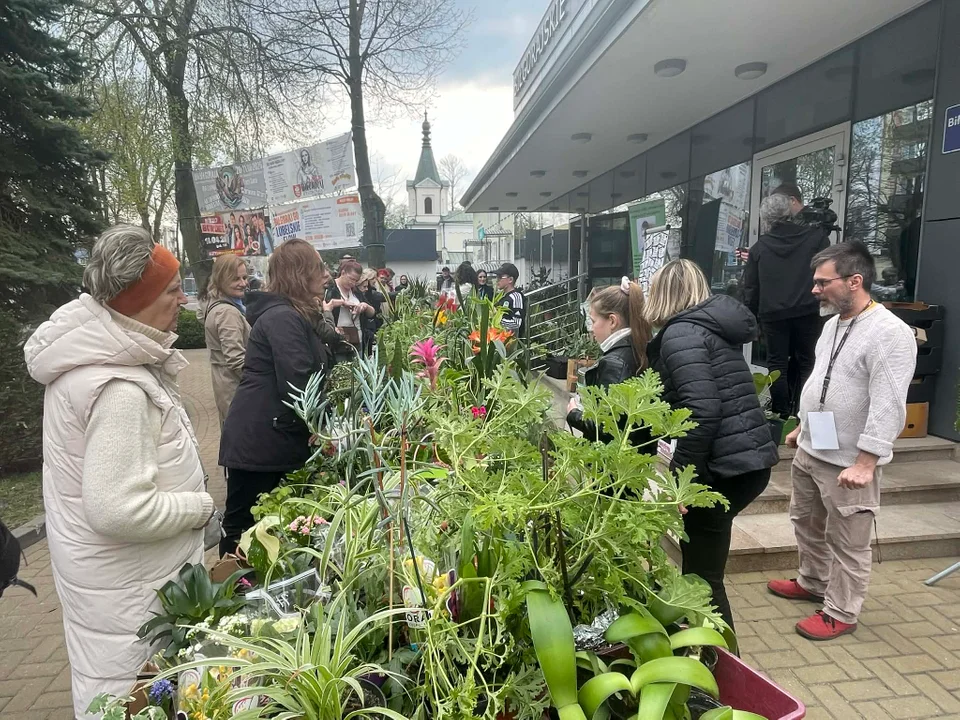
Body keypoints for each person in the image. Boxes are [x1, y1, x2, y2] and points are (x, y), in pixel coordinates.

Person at [24, 224, 217, 717]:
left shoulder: (104, 361)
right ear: (139, 299)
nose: (183, 300)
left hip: (118, 589)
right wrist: (198, 507)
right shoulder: (118, 387)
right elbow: (116, 509)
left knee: (113, 694)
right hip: (133, 599)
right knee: (134, 698)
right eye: (172, 290)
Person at [768, 242, 916, 641]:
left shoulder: (890, 333)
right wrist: (802, 426)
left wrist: (867, 461)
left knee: (849, 541)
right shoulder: (833, 324)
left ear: (855, 280)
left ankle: (841, 612)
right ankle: (813, 581)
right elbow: (823, 382)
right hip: (812, 449)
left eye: (822, 282)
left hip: (850, 462)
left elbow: (889, 403)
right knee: (806, 522)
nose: (814, 290)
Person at [645, 259, 779, 631]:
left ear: (663, 293)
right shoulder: (708, 329)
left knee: (702, 579)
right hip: (746, 462)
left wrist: (682, 482)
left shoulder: (681, 334)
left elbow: (701, 411)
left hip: (725, 468)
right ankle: (708, 648)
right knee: (704, 568)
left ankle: (718, 656)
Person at [218, 239, 331, 556]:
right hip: (261, 442)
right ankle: (230, 584)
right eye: (319, 267)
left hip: (270, 436)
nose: (326, 275)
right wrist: (325, 428)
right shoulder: (283, 318)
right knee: (243, 531)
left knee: (258, 529)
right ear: (300, 274)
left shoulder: (290, 314)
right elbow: (299, 382)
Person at [742, 186, 830, 417]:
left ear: (765, 219)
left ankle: (780, 415)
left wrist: (751, 321)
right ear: (790, 212)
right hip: (808, 310)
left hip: (773, 314)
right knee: (808, 362)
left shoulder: (759, 248)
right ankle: (806, 414)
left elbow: (751, 289)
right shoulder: (816, 238)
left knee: (777, 364)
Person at [566, 277, 652, 445]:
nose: (591, 328)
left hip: (614, 457)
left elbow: (607, 427)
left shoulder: (615, 362)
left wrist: (574, 414)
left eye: (593, 321)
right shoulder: (638, 347)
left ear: (612, 321)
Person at [198, 254, 250, 425]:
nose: (243, 283)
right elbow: (236, 359)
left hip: (226, 384)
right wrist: (260, 382)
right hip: (236, 389)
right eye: (236, 279)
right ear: (221, 279)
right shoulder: (227, 312)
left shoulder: (215, 303)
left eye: (244, 277)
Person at [324, 259, 374, 361]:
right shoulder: (330, 289)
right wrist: (342, 303)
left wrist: (364, 306)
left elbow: (372, 313)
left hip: (357, 340)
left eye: (356, 281)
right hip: (338, 342)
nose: (353, 283)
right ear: (343, 273)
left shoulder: (355, 291)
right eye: (351, 279)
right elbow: (322, 308)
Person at [356, 268, 385, 355]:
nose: (375, 280)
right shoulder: (367, 294)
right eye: (373, 278)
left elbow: (372, 312)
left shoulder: (367, 293)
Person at [495, 262, 525, 335]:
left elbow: (517, 323)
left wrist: (496, 318)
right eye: (497, 276)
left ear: (510, 279)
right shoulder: (502, 296)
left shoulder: (516, 296)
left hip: (511, 340)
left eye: (500, 277)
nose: (497, 279)